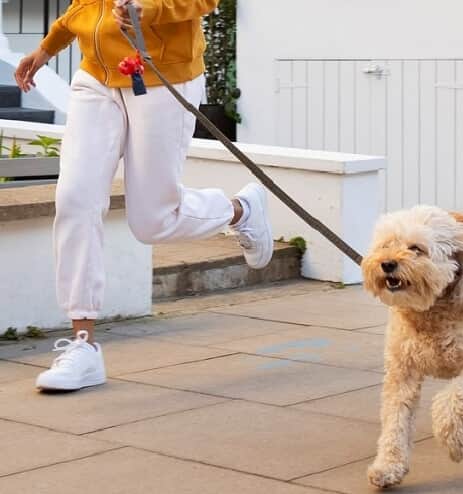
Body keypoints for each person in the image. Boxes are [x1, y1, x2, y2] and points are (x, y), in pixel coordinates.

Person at [14, 0, 273, 392]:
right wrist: (49, 46)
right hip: (95, 77)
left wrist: (150, 9)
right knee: (75, 199)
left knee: (153, 220)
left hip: (160, 75)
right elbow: (84, 6)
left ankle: (240, 210)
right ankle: (83, 345)